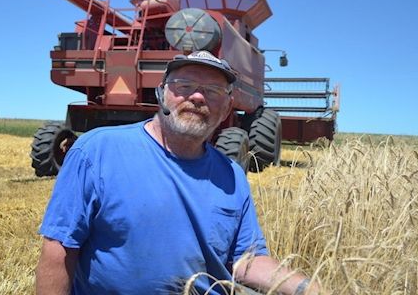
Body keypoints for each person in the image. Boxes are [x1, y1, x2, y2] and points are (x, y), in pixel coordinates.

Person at [36, 50, 320, 294]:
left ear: (226, 108)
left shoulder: (233, 176)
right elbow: (59, 249)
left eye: (213, 91)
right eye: (184, 85)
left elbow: (246, 260)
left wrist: (306, 288)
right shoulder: (96, 151)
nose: (197, 97)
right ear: (162, 94)